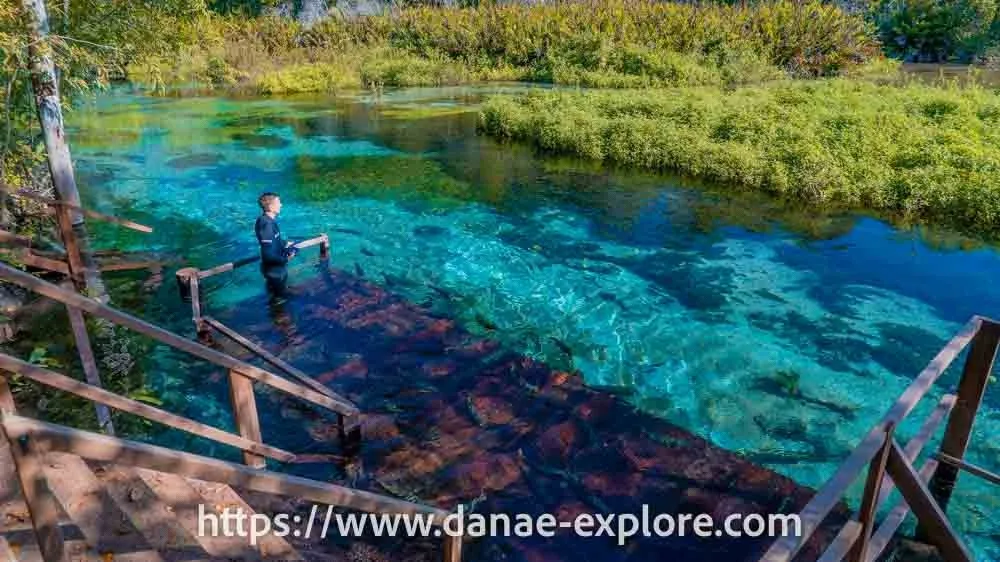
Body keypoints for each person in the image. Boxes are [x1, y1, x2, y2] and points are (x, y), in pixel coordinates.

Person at [255, 192, 298, 295]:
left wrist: (285, 243)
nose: (281, 205)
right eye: (278, 202)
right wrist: (286, 258)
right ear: (270, 206)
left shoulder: (267, 221)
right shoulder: (267, 224)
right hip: (274, 271)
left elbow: (273, 243)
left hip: (276, 270)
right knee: (280, 301)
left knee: (277, 297)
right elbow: (268, 254)